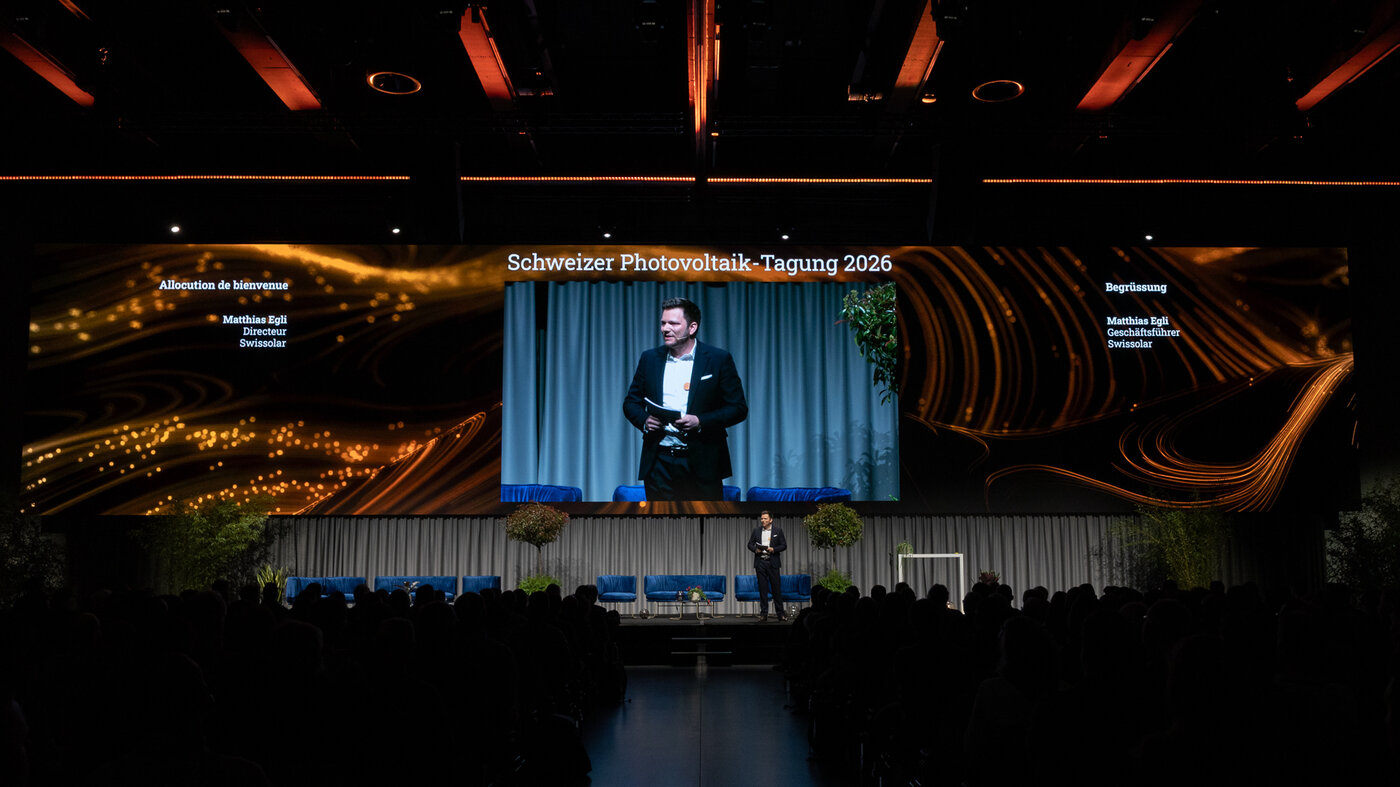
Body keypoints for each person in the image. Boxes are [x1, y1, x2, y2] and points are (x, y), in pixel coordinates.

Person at [623, 296, 748, 500]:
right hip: (659, 461)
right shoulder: (650, 359)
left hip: (702, 461)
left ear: (692, 327)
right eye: (663, 323)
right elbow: (631, 402)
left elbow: (738, 408)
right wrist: (644, 421)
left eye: (673, 323)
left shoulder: (717, 359)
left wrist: (700, 421)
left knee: (704, 528)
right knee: (661, 528)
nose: (665, 328)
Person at [747, 510, 787, 622]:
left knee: (776, 589)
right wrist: (756, 549)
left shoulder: (778, 531)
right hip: (760, 563)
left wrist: (774, 549)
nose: (763, 520)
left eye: (765, 518)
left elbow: (784, 545)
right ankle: (763, 614)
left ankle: (780, 614)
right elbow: (749, 544)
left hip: (772, 562)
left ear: (771, 519)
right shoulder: (756, 531)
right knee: (762, 589)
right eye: (761, 518)